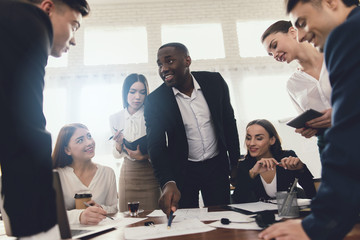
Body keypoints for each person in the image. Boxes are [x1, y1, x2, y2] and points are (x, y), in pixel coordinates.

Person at [259, 0, 360, 239]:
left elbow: (348, 128)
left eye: (302, 23)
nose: (303, 35)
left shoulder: (343, 37)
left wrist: (318, 225)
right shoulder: (294, 82)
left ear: (330, 3)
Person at [0, 0, 89, 238]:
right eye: (74, 25)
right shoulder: (30, 22)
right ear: (47, 8)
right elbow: (26, 129)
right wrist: (40, 230)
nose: (73, 40)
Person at [144, 42, 241, 216]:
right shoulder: (155, 101)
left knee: (222, 217)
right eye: (160, 64)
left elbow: (228, 123)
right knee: (187, 220)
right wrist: (167, 181)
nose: (164, 68)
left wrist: (234, 162)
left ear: (187, 61)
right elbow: (156, 145)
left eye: (169, 61)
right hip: (183, 170)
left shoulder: (215, 82)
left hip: (216, 166)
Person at [261, 20, 332, 153]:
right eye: (270, 54)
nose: (275, 55)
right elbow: (306, 119)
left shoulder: (336, 56)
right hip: (329, 144)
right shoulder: (293, 85)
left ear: (293, 32)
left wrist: (340, 115)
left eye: (274, 45)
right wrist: (310, 129)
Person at [109, 73, 161, 212]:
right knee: (128, 220)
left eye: (142, 92)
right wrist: (119, 143)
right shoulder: (115, 118)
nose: (137, 97)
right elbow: (116, 155)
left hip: (150, 173)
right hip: (128, 175)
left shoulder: (153, 115)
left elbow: (162, 148)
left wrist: (144, 156)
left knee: (153, 220)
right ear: (125, 92)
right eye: (132, 92)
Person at [232, 119, 316, 203]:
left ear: (272, 140)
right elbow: (238, 201)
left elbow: (312, 193)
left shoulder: (287, 157)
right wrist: (252, 173)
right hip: (262, 214)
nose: (251, 143)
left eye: (259, 138)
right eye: (248, 138)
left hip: (289, 213)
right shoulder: (244, 165)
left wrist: (301, 169)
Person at [52, 123, 118, 225]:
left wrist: (100, 208)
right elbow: (51, 214)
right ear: (67, 150)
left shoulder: (108, 173)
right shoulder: (58, 175)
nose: (89, 142)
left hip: (102, 232)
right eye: (80, 140)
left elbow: (113, 208)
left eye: (89, 136)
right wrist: (79, 216)